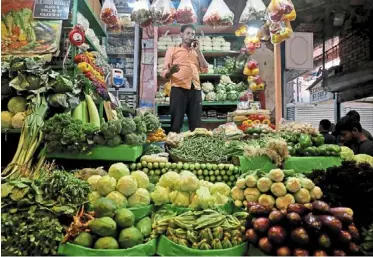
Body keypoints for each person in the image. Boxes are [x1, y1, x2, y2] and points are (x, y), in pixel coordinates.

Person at [161, 24, 209, 133]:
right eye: (188, 33)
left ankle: (193, 149)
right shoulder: (172, 50)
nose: (190, 36)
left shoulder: (196, 52)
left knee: (196, 126)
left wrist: (199, 51)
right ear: (181, 34)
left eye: (192, 34)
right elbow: (164, 72)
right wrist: (171, 71)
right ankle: (172, 148)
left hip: (195, 90)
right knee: (176, 124)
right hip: (178, 89)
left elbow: (205, 69)